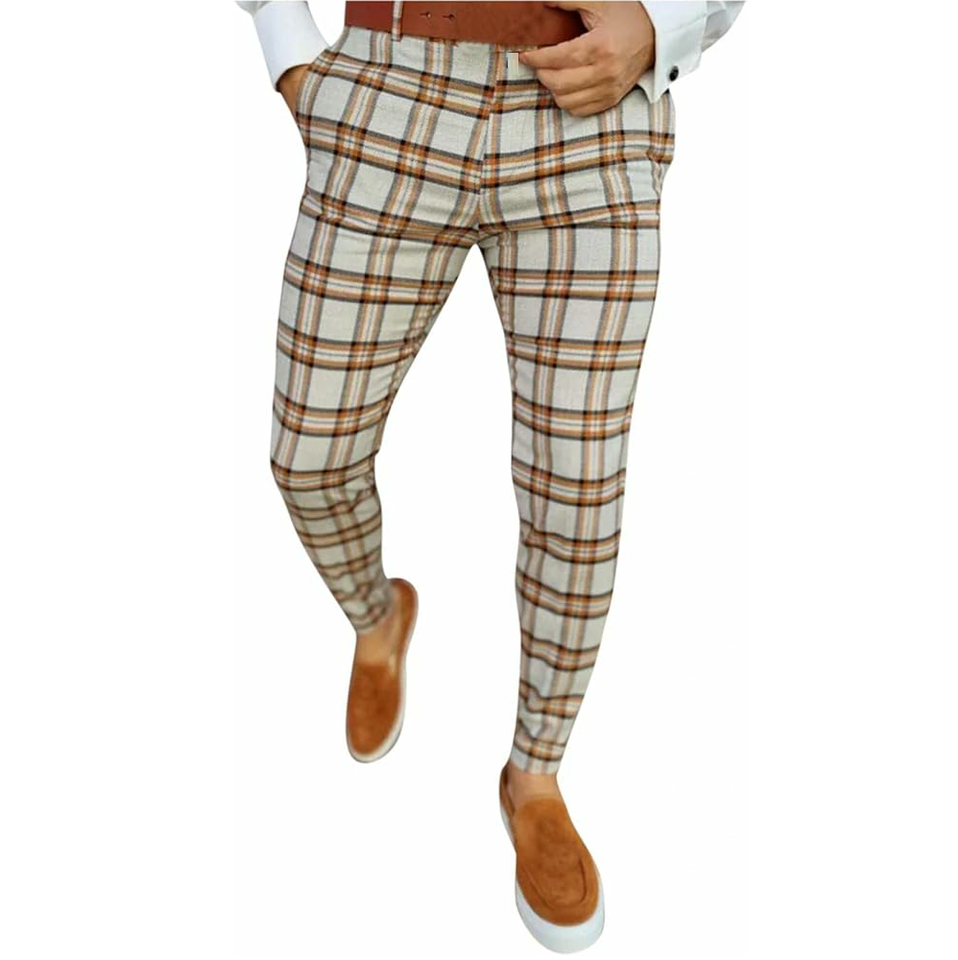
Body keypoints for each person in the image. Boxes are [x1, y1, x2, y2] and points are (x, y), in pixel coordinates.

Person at [235, 1, 743, 951]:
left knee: (577, 493)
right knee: (309, 453)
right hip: (391, 84)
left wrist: (664, 26)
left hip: (589, 109)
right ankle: (378, 618)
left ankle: (535, 774)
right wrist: (288, 47)